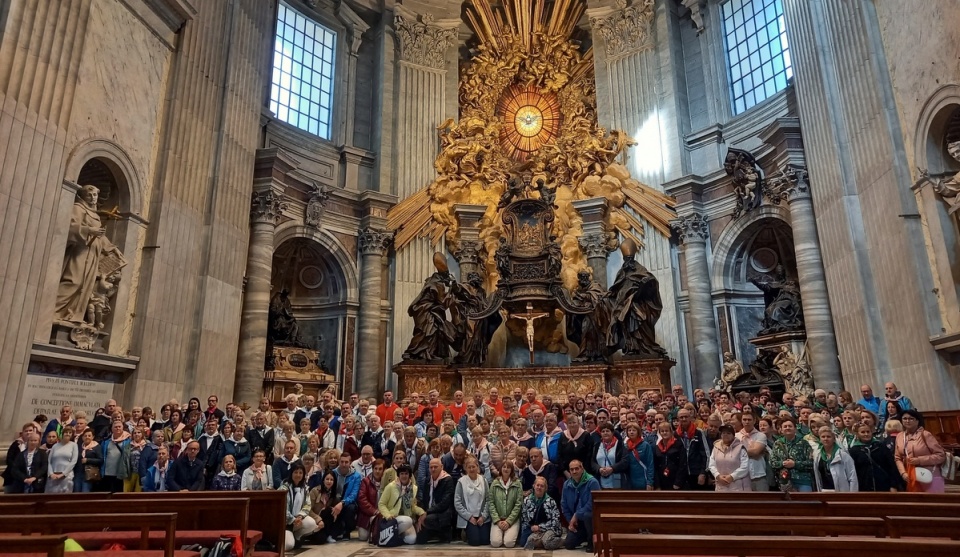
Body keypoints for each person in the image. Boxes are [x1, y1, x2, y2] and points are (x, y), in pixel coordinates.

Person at [895, 409, 946, 493]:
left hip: (930, 474)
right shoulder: (900, 436)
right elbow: (897, 458)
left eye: (911, 418)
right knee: (916, 503)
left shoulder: (925, 434)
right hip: (909, 475)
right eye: (904, 418)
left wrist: (919, 460)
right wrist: (903, 473)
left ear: (917, 421)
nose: (907, 421)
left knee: (935, 502)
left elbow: (940, 455)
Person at [849, 423, 903, 492]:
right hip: (864, 487)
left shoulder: (881, 446)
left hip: (884, 486)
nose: (866, 434)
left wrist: (893, 485)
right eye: (863, 432)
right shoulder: (854, 450)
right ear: (857, 434)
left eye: (868, 432)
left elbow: (892, 467)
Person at [378, 464, 422, 545]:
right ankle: (390, 535)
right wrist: (388, 515)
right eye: (402, 474)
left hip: (407, 519)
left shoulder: (414, 488)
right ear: (398, 475)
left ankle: (395, 536)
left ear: (409, 475)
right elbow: (381, 504)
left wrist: (422, 512)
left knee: (412, 540)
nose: (404, 476)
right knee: (408, 521)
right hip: (393, 518)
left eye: (406, 474)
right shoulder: (391, 486)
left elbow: (413, 507)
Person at [560, 459, 598, 552]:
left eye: (576, 468)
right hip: (577, 522)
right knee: (569, 544)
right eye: (571, 469)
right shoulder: (567, 484)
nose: (574, 471)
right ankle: (584, 535)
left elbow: (592, 503)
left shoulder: (592, 482)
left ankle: (591, 541)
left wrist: (577, 515)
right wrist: (571, 521)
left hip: (591, 519)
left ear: (582, 468)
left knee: (587, 515)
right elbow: (564, 505)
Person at [416, 457, 456, 543]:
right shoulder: (427, 480)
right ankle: (432, 533)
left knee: (427, 520)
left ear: (441, 467)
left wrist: (427, 513)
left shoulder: (448, 480)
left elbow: (445, 503)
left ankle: (444, 533)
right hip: (429, 512)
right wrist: (422, 513)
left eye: (435, 467)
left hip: (443, 512)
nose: (433, 469)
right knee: (419, 539)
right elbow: (424, 500)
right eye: (431, 467)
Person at [280, 462, 318, 550]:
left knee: (312, 523)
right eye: (295, 472)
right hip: (285, 522)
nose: (298, 475)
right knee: (288, 545)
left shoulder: (304, 488)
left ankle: (296, 536)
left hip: (298, 520)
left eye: (300, 473)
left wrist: (300, 516)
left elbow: (307, 505)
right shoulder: (283, 489)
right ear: (291, 473)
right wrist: (293, 519)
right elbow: (283, 508)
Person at [454, 456, 491, 546]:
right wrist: (469, 517)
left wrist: (484, 516)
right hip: (468, 518)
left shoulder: (484, 480)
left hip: (482, 517)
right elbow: (457, 503)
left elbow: (488, 500)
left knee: (485, 541)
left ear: (477, 467)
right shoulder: (461, 482)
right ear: (465, 468)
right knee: (475, 542)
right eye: (469, 467)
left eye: (473, 466)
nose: (471, 469)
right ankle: (466, 533)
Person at [519, 476, 563, 550]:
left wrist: (540, 527)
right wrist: (531, 528)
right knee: (525, 543)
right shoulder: (527, 500)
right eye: (537, 485)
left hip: (550, 528)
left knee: (547, 543)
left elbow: (555, 520)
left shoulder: (550, 501)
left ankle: (562, 541)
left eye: (542, 486)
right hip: (533, 528)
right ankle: (539, 540)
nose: (539, 488)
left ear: (545, 488)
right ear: (534, 486)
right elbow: (524, 518)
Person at [771, 418, 814, 492]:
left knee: (806, 503)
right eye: (785, 426)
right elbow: (772, 462)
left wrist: (795, 464)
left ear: (795, 428)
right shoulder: (777, 444)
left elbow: (811, 463)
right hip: (784, 481)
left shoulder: (804, 443)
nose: (787, 428)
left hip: (803, 480)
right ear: (781, 430)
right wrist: (783, 463)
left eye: (790, 426)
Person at [489, 460, 523, 548]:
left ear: (512, 470)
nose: (506, 469)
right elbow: (491, 503)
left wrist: (508, 521)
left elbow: (518, 504)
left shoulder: (518, 484)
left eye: (508, 467)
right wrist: (497, 520)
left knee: (509, 543)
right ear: (500, 469)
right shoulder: (494, 483)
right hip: (498, 519)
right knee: (495, 543)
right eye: (504, 467)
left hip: (512, 520)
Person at [812, 426, 858, 492]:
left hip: (842, 493)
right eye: (823, 437)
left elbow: (852, 477)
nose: (826, 439)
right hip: (824, 491)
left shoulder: (843, 455)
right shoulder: (817, 455)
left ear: (834, 439)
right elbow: (818, 477)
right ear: (820, 439)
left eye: (828, 437)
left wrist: (852, 496)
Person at [708, 424, 750, 491]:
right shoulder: (716, 447)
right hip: (720, 485)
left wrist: (732, 477)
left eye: (728, 433)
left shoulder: (740, 448)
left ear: (733, 435)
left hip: (737, 487)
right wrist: (717, 476)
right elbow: (711, 465)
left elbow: (745, 467)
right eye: (723, 433)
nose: (725, 435)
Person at [332, 451, 361, 539]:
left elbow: (354, 494)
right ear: (339, 462)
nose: (344, 464)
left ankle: (347, 531)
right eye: (342, 462)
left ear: (350, 463)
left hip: (348, 503)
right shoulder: (333, 473)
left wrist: (342, 503)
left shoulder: (356, 476)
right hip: (334, 501)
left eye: (346, 462)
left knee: (351, 508)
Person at [737, 412, 768, 492]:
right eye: (744, 419)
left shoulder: (761, 435)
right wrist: (751, 450)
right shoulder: (736, 436)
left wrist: (740, 450)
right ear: (741, 421)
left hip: (759, 475)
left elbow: (755, 452)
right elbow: (733, 454)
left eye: (749, 420)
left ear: (754, 421)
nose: (747, 422)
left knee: (763, 503)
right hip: (741, 476)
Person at [356, 459, 385, 542]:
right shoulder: (366, 481)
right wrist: (374, 511)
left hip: (383, 513)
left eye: (380, 469)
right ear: (372, 469)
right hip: (368, 514)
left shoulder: (387, 482)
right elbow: (362, 500)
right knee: (363, 537)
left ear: (383, 470)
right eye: (375, 468)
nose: (377, 471)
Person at [593, 423, 628, 489]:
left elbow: (625, 461)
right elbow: (592, 462)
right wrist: (599, 469)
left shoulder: (620, 445)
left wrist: (612, 468)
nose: (605, 433)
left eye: (607, 431)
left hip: (617, 481)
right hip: (600, 481)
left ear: (612, 433)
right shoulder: (597, 445)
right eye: (603, 431)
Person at [653, 422, 686, 490]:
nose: (664, 433)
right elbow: (655, 467)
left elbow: (682, 464)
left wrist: (678, 482)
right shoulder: (657, 447)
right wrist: (657, 485)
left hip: (675, 481)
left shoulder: (678, 444)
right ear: (659, 433)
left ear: (671, 432)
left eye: (666, 431)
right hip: (662, 481)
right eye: (662, 431)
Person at [99, 421, 131, 492]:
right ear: (112, 429)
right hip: (108, 472)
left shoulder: (128, 440)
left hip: (121, 472)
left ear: (123, 428)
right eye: (115, 427)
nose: (118, 428)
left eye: (119, 427)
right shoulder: (106, 441)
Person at [45, 426, 78, 494]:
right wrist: (51, 474)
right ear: (62, 434)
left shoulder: (74, 445)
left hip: (66, 476)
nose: (68, 434)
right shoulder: (55, 446)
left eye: (70, 432)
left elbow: (73, 461)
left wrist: (63, 474)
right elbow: (49, 461)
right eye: (66, 432)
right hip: (53, 475)